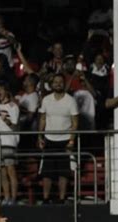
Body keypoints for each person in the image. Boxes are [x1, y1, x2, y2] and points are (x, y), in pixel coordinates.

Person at [38, 73, 79, 204]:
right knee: (47, 172)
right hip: (49, 139)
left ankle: (61, 199)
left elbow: (75, 122)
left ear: (64, 83)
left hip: (65, 140)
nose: (58, 84)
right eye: (55, 82)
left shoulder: (70, 100)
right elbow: (43, 118)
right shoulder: (46, 100)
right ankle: (45, 198)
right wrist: (40, 136)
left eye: (60, 81)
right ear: (52, 84)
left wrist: (72, 140)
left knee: (63, 172)